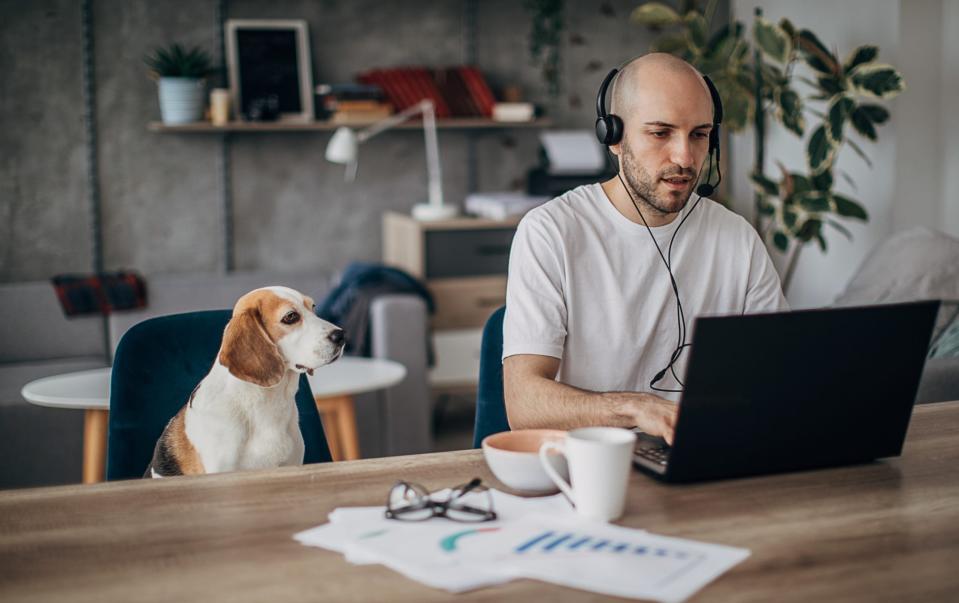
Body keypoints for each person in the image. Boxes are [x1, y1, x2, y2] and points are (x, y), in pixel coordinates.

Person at [502, 53, 787, 445]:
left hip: (704, 457)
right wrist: (637, 408)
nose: (685, 158)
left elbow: (779, 375)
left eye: (700, 135)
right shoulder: (551, 231)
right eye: (660, 133)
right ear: (613, 137)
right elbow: (524, 406)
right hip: (590, 470)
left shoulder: (736, 237)